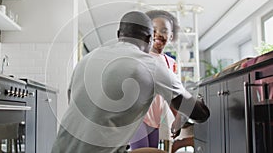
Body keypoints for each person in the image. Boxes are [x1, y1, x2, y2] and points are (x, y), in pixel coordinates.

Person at [51, 11, 209, 153]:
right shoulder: (151, 65)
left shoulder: (86, 60)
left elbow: (73, 101)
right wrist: (199, 101)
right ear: (149, 39)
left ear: (119, 34)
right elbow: (197, 113)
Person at [130, 10, 179, 150]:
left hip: (155, 120)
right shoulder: (140, 56)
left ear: (171, 36)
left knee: (153, 150)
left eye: (164, 30)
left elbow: (172, 95)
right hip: (137, 117)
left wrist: (177, 118)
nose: (158, 33)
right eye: (153, 29)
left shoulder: (171, 63)